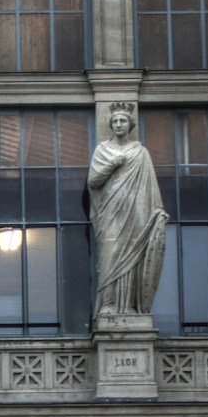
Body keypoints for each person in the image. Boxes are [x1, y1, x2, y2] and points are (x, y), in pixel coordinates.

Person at [87, 106, 170, 322]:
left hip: (136, 211)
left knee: (133, 256)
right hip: (110, 211)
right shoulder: (102, 150)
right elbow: (93, 181)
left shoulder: (141, 152)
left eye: (122, 121)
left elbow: (151, 185)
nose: (118, 125)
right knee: (110, 255)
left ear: (130, 125)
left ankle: (130, 307)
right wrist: (113, 164)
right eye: (115, 121)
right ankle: (108, 305)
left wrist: (158, 210)